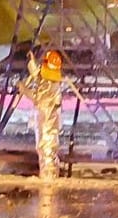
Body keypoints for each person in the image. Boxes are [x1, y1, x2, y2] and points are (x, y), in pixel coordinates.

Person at [18, 49, 80, 180]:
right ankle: (48, 173)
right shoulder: (50, 79)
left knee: (46, 147)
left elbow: (37, 97)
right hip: (48, 117)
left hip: (47, 120)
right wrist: (32, 62)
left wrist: (23, 89)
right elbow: (38, 76)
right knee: (46, 147)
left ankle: (48, 175)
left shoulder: (50, 85)